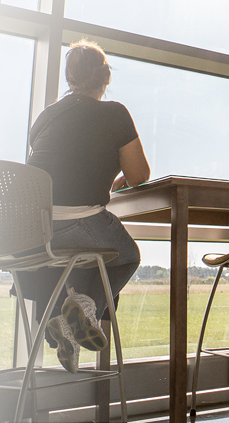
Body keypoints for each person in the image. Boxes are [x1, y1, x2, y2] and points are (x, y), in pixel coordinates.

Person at [26, 39, 150, 373]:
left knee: (84, 259)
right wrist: (122, 177)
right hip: (76, 220)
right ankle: (83, 310)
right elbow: (140, 174)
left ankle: (68, 321)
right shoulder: (114, 113)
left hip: (33, 230)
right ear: (106, 77)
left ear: (69, 78)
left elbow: (60, 166)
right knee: (128, 257)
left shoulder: (46, 117)